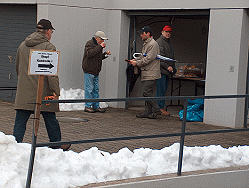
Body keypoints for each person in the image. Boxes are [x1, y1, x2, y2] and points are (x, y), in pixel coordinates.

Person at [13, 19, 70, 151]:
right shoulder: (49, 47)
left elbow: (17, 68)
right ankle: (56, 144)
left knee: (20, 121)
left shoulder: (22, 45)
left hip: (24, 92)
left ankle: (14, 146)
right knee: (50, 119)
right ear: (49, 31)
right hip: (43, 93)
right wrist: (55, 91)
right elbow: (52, 73)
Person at [129, 26, 161, 119]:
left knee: (146, 92)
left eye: (142, 33)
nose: (140, 35)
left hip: (151, 72)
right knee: (148, 92)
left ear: (148, 34)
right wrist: (135, 60)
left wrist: (137, 63)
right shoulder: (147, 44)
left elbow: (148, 59)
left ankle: (156, 109)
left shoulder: (153, 44)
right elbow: (144, 56)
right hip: (147, 72)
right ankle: (148, 111)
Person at [82, 31, 111, 113]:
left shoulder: (98, 46)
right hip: (89, 70)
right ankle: (87, 106)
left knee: (95, 89)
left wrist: (105, 54)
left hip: (96, 71)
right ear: (96, 38)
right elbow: (89, 54)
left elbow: (98, 57)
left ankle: (96, 106)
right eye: (102, 39)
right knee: (89, 89)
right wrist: (100, 47)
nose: (103, 42)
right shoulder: (89, 43)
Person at [156, 25, 177, 116]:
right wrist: (167, 66)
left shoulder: (167, 42)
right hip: (162, 71)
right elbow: (159, 58)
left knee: (162, 90)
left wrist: (173, 69)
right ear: (162, 32)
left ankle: (159, 107)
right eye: (166, 31)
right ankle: (159, 108)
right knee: (161, 90)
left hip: (166, 71)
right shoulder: (160, 42)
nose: (168, 33)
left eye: (169, 32)